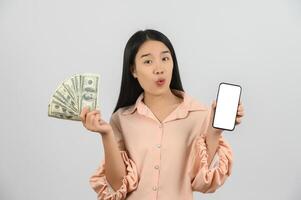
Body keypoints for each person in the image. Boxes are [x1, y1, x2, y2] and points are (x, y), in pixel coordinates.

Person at [80, 29, 244, 200]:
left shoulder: (200, 114)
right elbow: (117, 185)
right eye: (148, 61)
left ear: (173, 63)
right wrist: (105, 133)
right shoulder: (121, 119)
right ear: (133, 70)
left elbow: (203, 183)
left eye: (165, 58)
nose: (159, 69)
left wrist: (215, 131)